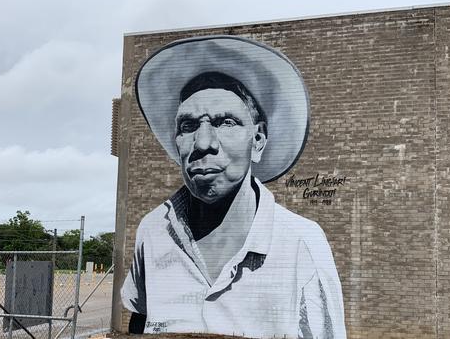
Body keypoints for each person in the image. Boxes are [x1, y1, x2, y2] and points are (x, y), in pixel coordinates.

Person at [121, 36, 345, 339]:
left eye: (225, 122)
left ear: (258, 140)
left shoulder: (301, 245)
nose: (203, 143)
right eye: (188, 126)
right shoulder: (152, 231)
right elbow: (140, 321)